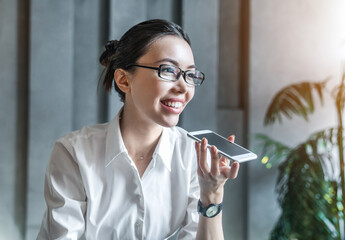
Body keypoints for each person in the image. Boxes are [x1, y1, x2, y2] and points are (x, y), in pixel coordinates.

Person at [37, 19, 239, 240]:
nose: (183, 87)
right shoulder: (73, 153)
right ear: (124, 80)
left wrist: (212, 195)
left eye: (189, 75)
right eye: (169, 70)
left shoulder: (191, 155)